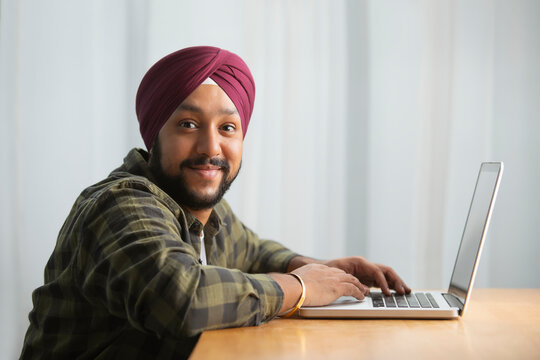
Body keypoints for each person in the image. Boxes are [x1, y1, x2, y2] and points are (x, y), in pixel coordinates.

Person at [20, 46, 410, 359]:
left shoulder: (201, 207)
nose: (211, 147)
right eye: (188, 125)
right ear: (154, 133)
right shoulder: (122, 205)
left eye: (227, 128)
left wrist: (315, 268)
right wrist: (299, 288)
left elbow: (252, 250)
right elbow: (183, 299)